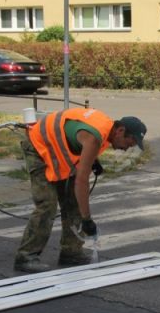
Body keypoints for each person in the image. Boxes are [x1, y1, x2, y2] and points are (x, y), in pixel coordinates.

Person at [14, 107, 147, 273]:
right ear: (121, 131)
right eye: (130, 143)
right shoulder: (95, 136)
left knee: (73, 202)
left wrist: (94, 160)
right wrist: (87, 219)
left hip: (57, 153)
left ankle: (71, 252)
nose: (127, 148)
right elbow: (81, 181)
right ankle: (26, 257)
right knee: (47, 204)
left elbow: (79, 139)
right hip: (38, 147)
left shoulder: (107, 130)